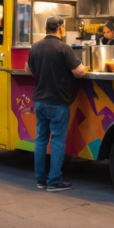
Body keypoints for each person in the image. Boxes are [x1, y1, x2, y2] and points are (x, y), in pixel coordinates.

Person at [27, 15, 87, 191]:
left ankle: (40, 180)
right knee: (58, 142)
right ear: (60, 28)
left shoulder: (36, 47)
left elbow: (27, 69)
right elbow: (80, 72)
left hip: (40, 101)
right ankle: (54, 181)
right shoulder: (64, 48)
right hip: (58, 102)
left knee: (41, 140)